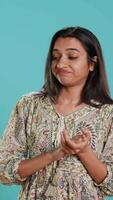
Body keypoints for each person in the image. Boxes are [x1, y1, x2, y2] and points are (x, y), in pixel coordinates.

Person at [0, 26, 113, 200]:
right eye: (55, 57)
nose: (60, 64)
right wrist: (55, 154)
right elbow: (3, 170)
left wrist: (84, 152)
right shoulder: (29, 105)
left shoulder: (108, 114)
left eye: (72, 56)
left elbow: (111, 184)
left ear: (92, 63)